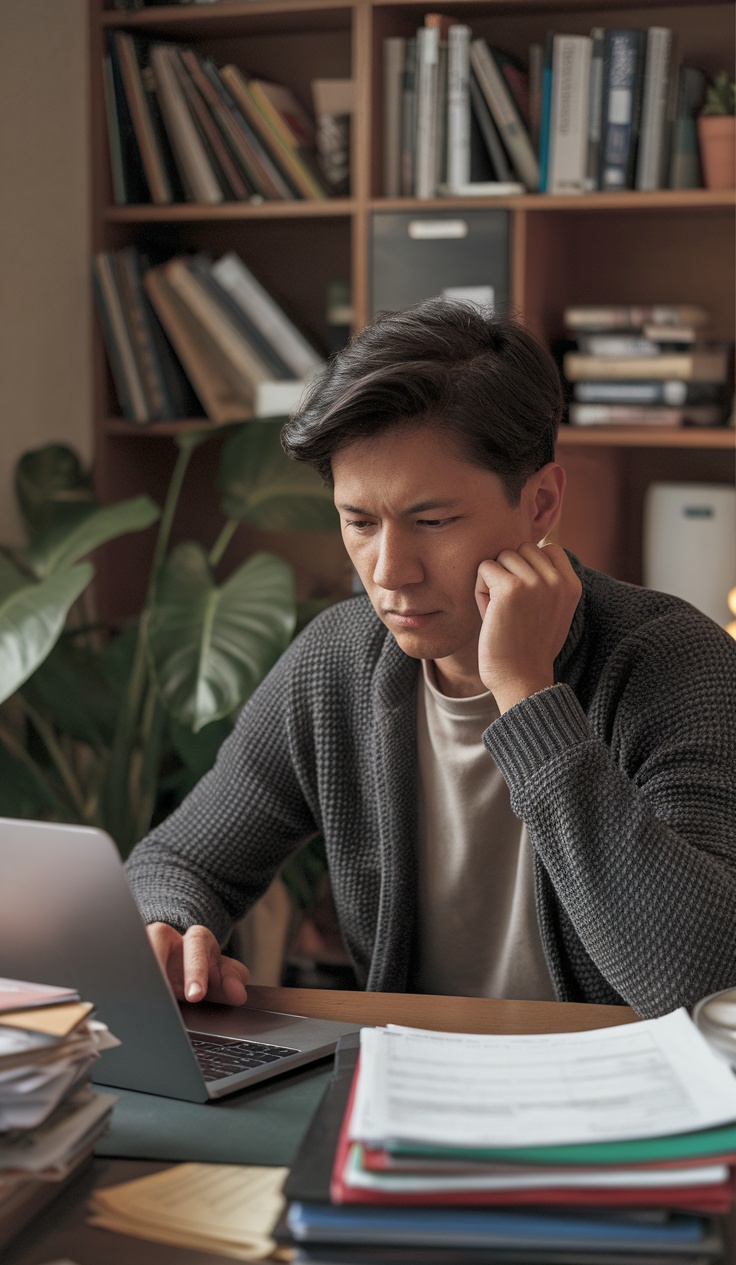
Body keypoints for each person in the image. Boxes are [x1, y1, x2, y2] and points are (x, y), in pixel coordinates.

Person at [127, 299, 736, 1019]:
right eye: (359, 522)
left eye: (433, 521)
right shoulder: (337, 663)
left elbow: (701, 982)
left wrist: (527, 695)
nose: (389, 571)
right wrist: (168, 925)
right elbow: (180, 860)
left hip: (622, 1104)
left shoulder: (672, 663)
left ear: (540, 503)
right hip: (404, 1088)